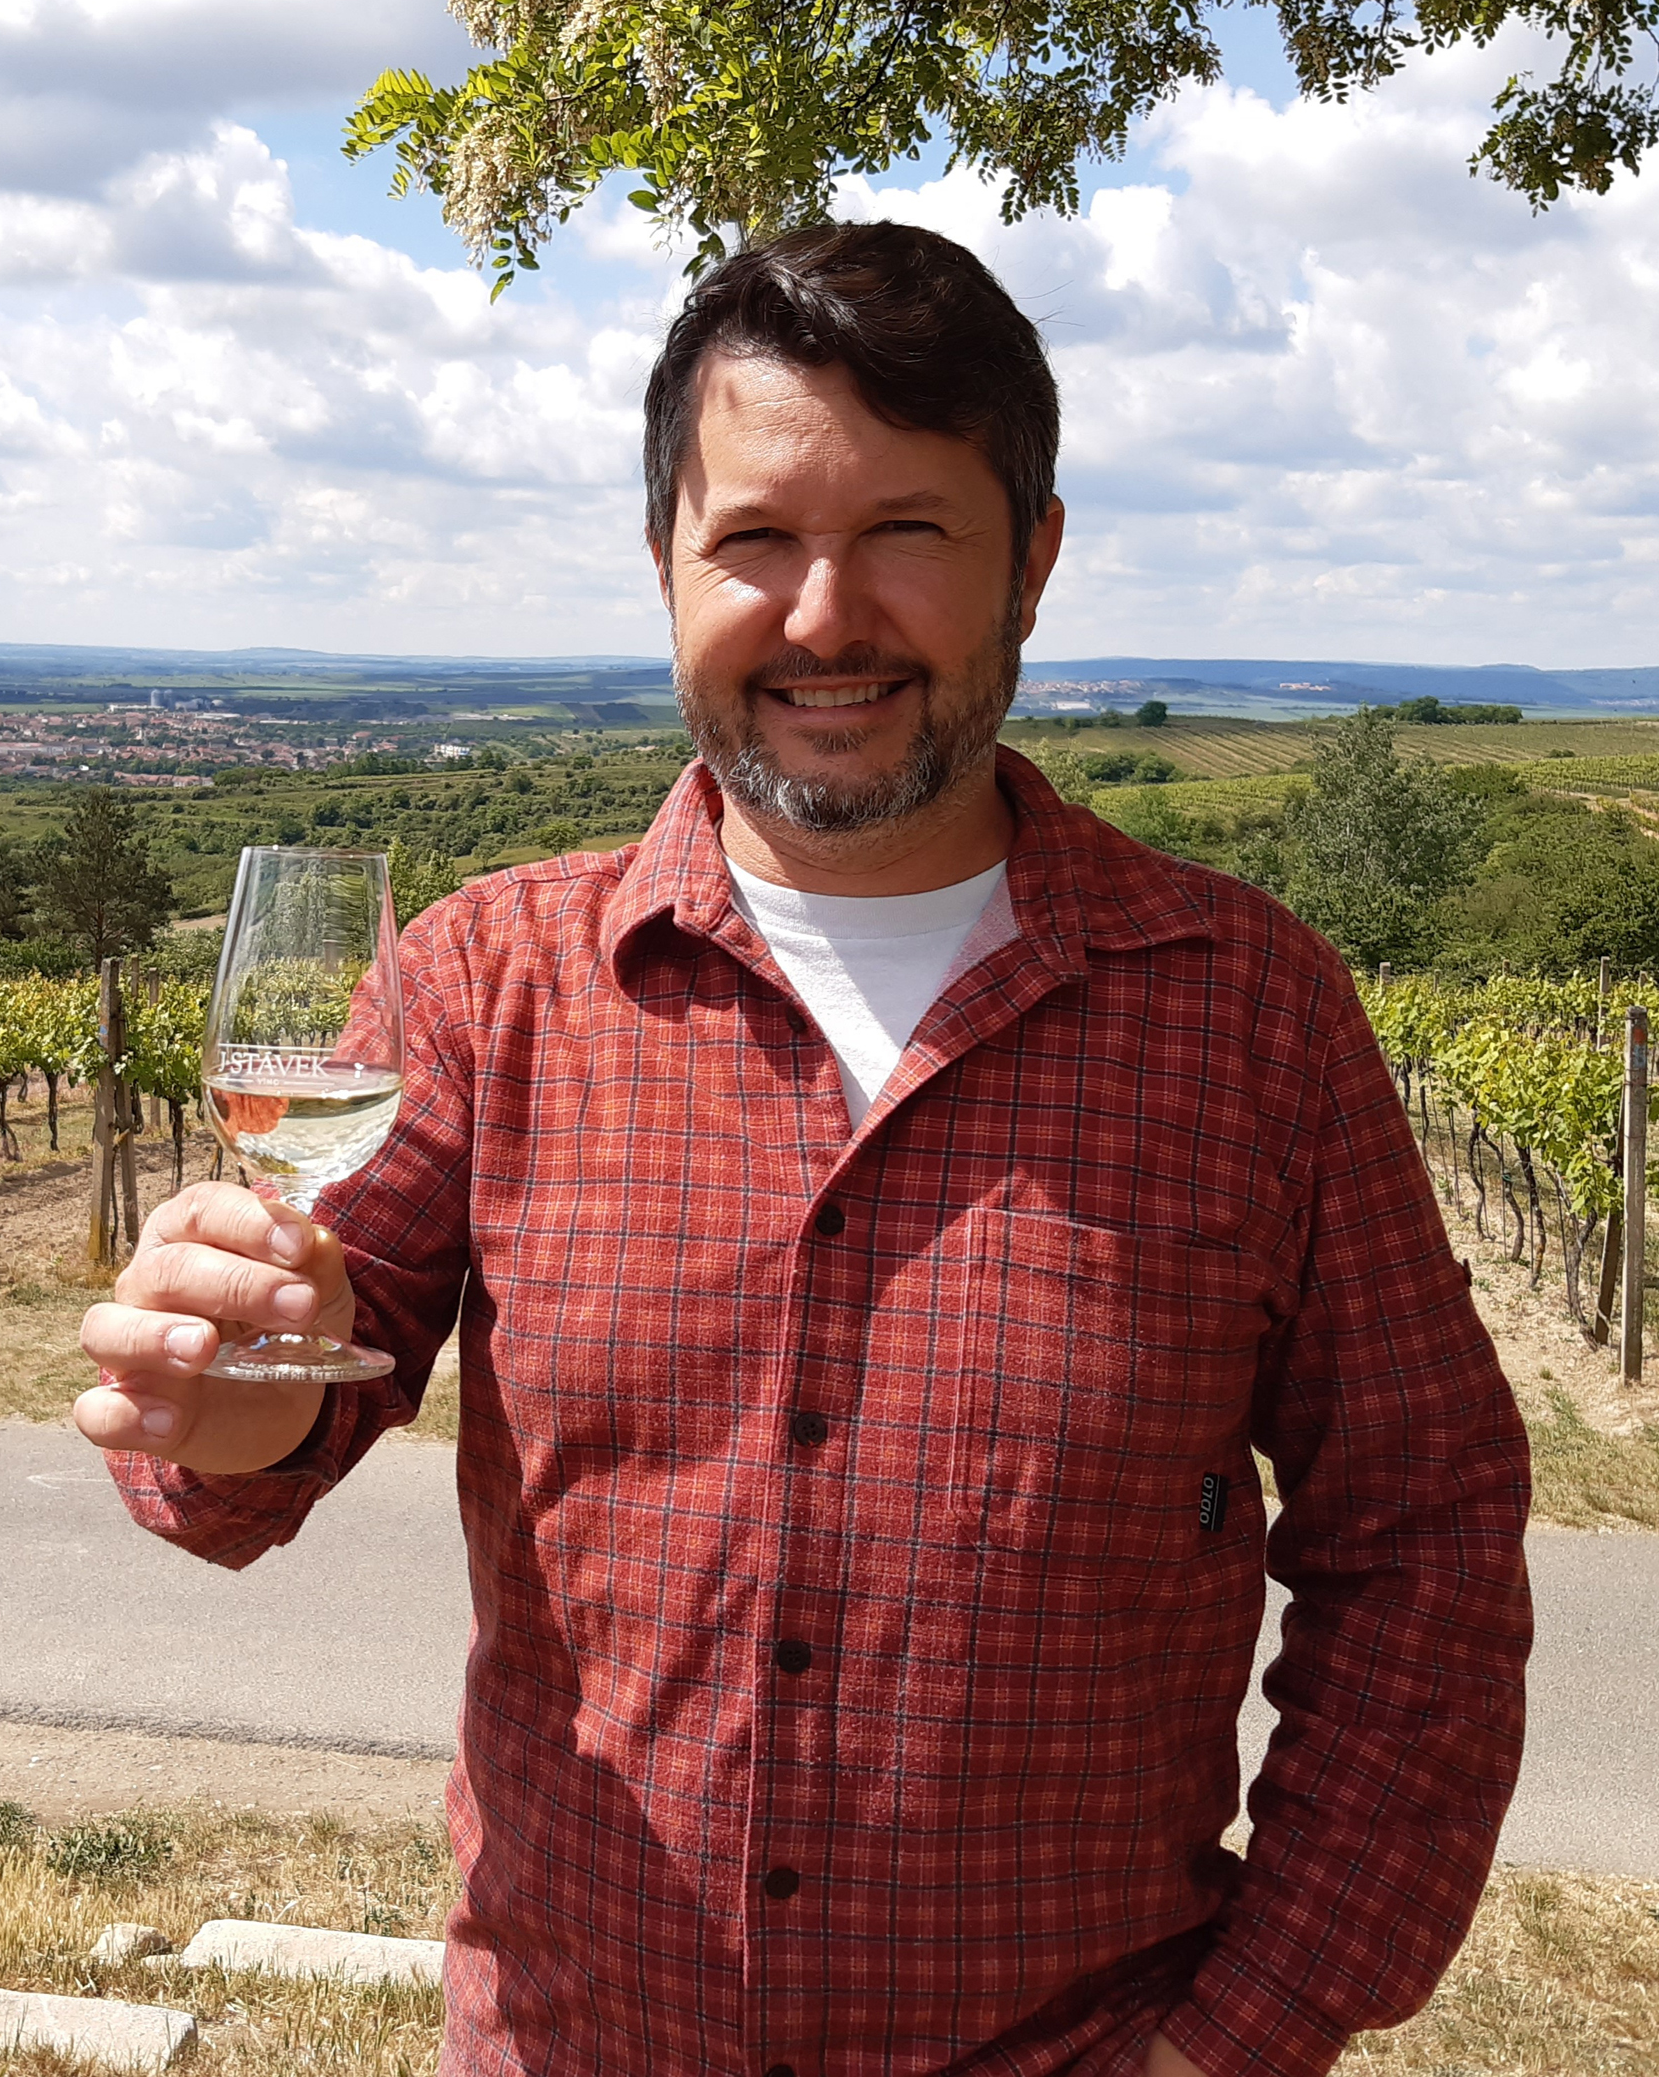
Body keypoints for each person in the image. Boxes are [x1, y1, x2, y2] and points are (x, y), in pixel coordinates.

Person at [75, 222, 1532, 2077]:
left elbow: (1428, 1549)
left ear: (1037, 561)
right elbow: (274, 1433)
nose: (826, 615)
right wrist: (229, 1403)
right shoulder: (482, 984)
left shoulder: (1250, 1015)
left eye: (907, 533)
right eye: (755, 541)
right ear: (666, 567)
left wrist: (1246, 2034)